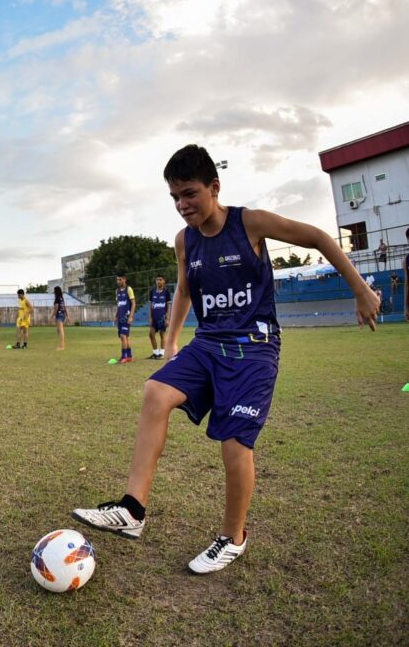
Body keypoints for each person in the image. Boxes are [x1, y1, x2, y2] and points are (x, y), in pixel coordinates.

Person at [72, 143, 379, 575]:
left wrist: (361, 290)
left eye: (190, 193)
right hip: (209, 342)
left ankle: (232, 538)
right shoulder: (185, 241)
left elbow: (318, 237)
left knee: (235, 445)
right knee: (155, 391)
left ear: (215, 187)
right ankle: (133, 510)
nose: (182, 205)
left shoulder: (249, 223)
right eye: (175, 197)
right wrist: (174, 339)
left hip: (255, 347)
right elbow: (184, 290)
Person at [147, 274, 171, 359]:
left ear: (164, 281)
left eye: (160, 279)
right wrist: (150, 317)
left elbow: (168, 306)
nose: (158, 281)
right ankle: (155, 353)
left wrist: (168, 318)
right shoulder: (152, 292)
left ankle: (161, 353)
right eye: (157, 280)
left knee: (162, 334)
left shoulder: (166, 292)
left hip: (162, 318)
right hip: (154, 318)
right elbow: (150, 305)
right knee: (151, 334)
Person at [115, 272, 136, 363]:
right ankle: (129, 356)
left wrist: (131, 316)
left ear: (124, 279)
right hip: (120, 317)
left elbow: (134, 303)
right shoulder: (117, 291)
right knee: (124, 337)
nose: (118, 281)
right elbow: (118, 305)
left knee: (123, 336)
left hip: (126, 317)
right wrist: (116, 316)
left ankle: (124, 356)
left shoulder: (129, 289)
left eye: (120, 279)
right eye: (117, 279)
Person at [53, 286, 69, 350]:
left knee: (61, 330)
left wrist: (52, 316)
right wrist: (67, 316)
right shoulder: (61, 298)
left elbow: (56, 308)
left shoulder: (57, 298)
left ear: (56, 291)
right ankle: (61, 344)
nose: (53, 292)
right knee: (58, 330)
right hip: (62, 315)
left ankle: (62, 347)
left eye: (54, 291)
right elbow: (64, 307)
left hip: (59, 315)